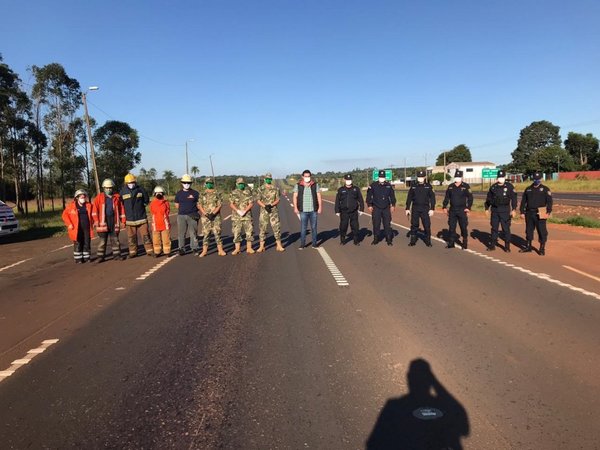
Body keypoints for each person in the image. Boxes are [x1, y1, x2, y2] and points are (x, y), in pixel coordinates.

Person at [120, 173, 154, 257]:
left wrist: (141, 207)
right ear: (126, 183)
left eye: (132, 182)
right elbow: (121, 204)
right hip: (129, 219)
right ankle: (133, 252)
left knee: (146, 235)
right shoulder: (122, 191)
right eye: (129, 182)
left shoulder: (141, 189)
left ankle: (150, 250)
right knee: (131, 237)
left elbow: (146, 200)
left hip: (141, 218)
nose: (131, 184)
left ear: (135, 182)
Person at [519, 171, 553, 255]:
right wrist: (522, 212)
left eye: (538, 179)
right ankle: (528, 246)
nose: (536, 180)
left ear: (541, 179)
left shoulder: (545, 189)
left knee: (542, 231)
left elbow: (549, 201)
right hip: (529, 212)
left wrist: (548, 212)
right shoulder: (528, 189)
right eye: (535, 179)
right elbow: (523, 201)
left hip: (541, 212)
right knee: (529, 230)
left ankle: (542, 248)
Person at [92, 179, 126, 262]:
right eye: (107, 188)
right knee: (102, 241)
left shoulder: (117, 198)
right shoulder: (99, 198)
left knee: (115, 240)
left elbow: (121, 210)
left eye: (110, 188)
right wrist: (96, 221)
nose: (109, 189)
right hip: (102, 222)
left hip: (114, 221)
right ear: (104, 188)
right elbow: (94, 211)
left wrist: (123, 221)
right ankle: (100, 257)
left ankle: (117, 255)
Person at [484, 170, 518, 252]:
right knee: (494, 228)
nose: (501, 178)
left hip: (505, 211)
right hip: (495, 210)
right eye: (499, 177)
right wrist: (486, 209)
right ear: (497, 178)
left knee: (506, 229)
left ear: (505, 177)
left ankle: (507, 246)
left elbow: (514, 199)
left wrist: (513, 209)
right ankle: (492, 245)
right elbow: (488, 199)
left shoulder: (509, 186)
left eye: (502, 177)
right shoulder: (493, 187)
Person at [442, 170, 473, 249]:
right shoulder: (450, 186)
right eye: (456, 177)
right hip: (452, 210)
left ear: (462, 178)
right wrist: (444, 206)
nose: (457, 178)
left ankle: (464, 242)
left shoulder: (466, 186)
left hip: (462, 210)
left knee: (463, 226)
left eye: (459, 177)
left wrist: (468, 207)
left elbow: (470, 198)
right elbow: (447, 197)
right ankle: (451, 243)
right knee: (451, 227)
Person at [62, 189, 95, 264]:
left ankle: (87, 258)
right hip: (76, 228)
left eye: (84, 197)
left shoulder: (89, 205)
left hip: (86, 227)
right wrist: (69, 224)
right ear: (77, 198)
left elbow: (93, 214)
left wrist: (94, 222)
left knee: (87, 242)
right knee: (78, 242)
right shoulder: (71, 206)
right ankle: (78, 259)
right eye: (81, 197)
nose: (83, 198)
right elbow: (64, 215)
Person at [255, 172, 285, 252]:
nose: (268, 180)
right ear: (264, 179)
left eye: (269, 179)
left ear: (271, 179)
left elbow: (278, 199)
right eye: (267, 179)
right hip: (264, 211)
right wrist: (265, 206)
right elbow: (258, 200)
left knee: (276, 227)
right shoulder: (260, 189)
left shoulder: (275, 188)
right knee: (262, 228)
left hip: (273, 210)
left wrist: (271, 205)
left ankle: (279, 245)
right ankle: (261, 246)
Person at [197, 177, 227, 257]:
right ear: (205, 184)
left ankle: (220, 250)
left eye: (210, 183)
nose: (209, 184)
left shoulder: (217, 193)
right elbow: (199, 205)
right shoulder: (202, 193)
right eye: (207, 183)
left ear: (212, 183)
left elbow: (219, 205)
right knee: (206, 234)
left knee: (217, 233)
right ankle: (204, 251)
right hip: (205, 217)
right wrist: (206, 214)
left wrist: (213, 213)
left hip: (215, 217)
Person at [293, 169, 322, 249]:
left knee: (314, 227)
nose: (307, 178)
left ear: (310, 176)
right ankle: (302, 244)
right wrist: (295, 208)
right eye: (305, 176)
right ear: (302, 177)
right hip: (303, 210)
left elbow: (319, 196)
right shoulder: (298, 185)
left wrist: (320, 207)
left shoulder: (315, 185)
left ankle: (314, 243)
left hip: (313, 210)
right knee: (303, 228)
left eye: (308, 176)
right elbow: (295, 197)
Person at [405, 170, 436, 247]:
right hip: (415, 208)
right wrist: (407, 208)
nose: (420, 178)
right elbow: (409, 198)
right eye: (419, 177)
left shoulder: (428, 186)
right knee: (414, 225)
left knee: (427, 225)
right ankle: (412, 241)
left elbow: (432, 198)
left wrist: (432, 208)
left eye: (422, 177)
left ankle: (428, 241)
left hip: (425, 209)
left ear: (425, 177)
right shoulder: (413, 186)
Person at [366, 170, 396, 246]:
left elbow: (392, 196)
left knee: (387, 224)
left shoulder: (388, 186)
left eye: (383, 177)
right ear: (378, 177)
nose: (382, 178)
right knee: (376, 224)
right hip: (376, 207)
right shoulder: (373, 185)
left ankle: (389, 239)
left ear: (385, 177)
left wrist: (393, 205)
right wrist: (369, 205)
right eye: (380, 177)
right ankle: (376, 239)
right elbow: (368, 196)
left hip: (386, 207)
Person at [334, 174, 365, 245]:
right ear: (344, 180)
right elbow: (337, 201)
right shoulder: (341, 190)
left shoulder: (356, 189)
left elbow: (360, 199)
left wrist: (362, 209)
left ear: (352, 180)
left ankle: (356, 241)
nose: (349, 181)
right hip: (344, 212)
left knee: (355, 227)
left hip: (354, 212)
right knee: (343, 226)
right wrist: (337, 211)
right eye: (347, 180)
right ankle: (342, 240)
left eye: (350, 180)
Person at [174, 174, 201, 256]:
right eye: (185, 182)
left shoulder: (195, 193)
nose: (186, 184)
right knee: (181, 233)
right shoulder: (179, 193)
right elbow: (176, 205)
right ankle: (181, 248)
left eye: (188, 182)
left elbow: (199, 204)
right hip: (181, 216)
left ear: (191, 183)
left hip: (192, 215)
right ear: (182, 183)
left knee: (193, 233)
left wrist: (195, 211)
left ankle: (194, 248)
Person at [229, 177, 255, 255]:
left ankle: (249, 248)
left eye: (242, 184)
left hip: (247, 215)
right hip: (236, 216)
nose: (241, 185)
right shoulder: (233, 193)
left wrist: (245, 211)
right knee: (236, 232)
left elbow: (251, 203)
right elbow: (231, 204)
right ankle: (237, 249)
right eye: (239, 184)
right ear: (237, 184)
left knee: (249, 232)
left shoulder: (248, 192)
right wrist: (238, 211)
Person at [149, 186, 172, 257]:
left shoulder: (166, 202)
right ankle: (157, 252)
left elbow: (168, 211)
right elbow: (152, 212)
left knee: (166, 239)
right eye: (157, 193)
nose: (159, 194)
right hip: (155, 225)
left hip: (165, 224)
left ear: (163, 193)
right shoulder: (152, 203)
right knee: (156, 239)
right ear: (154, 194)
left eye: (160, 193)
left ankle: (167, 251)